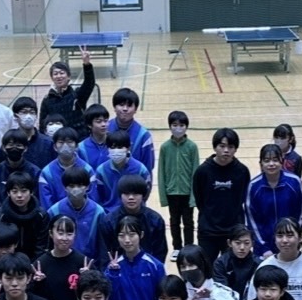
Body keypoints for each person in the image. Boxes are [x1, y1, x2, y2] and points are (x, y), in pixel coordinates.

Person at [192, 128, 250, 264]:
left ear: (235, 149)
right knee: (206, 268)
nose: (226, 150)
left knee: (232, 270)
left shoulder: (242, 171)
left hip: (234, 231)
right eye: (222, 146)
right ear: (215, 147)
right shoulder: (202, 171)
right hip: (208, 231)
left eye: (230, 147)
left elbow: (243, 197)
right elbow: (199, 199)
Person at [104, 214, 165, 300]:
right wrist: (112, 275)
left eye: (131, 235)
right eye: (122, 235)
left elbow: (163, 298)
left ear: (141, 235)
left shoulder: (155, 266)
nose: (127, 240)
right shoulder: (112, 268)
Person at [245, 143, 302, 260]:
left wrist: (292, 239)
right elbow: (252, 220)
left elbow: (301, 214)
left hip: (289, 246)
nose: (271, 164)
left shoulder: (295, 182)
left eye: (275, 160)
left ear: (281, 161)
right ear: (261, 163)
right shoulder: (253, 186)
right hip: (264, 251)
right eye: (267, 160)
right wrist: (263, 247)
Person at [95, 174, 168, 267]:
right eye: (126, 194)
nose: (131, 197)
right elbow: (104, 253)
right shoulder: (108, 221)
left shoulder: (155, 220)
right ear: (120, 195)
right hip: (117, 269)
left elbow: (160, 252)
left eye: (136, 194)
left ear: (143, 195)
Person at [31, 214, 87, 300]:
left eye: (69, 234)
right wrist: (36, 283)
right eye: (60, 233)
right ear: (51, 233)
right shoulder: (40, 264)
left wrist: (88, 278)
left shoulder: (83, 262)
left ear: (75, 235)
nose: (65, 238)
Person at [158, 110, 198, 258]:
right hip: (172, 192)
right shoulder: (165, 147)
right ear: (170, 126)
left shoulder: (192, 147)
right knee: (174, 221)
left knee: (188, 222)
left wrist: (194, 196)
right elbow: (161, 172)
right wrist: (163, 196)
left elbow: (195, 172)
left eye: (181, 125)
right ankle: (176, 247)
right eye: (174, 125)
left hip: (187, 192)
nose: (178, 128)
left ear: (186, 127)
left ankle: (189, 247)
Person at [0, 170, 50, 260]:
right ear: (8, 193)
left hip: (33, 262)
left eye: (24, 191)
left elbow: (41, 246)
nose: (19, 195)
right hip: (6, 262)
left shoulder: (41, 215)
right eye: (14, 191)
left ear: (31, 192)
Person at [48, 165, 105, 259]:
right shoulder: (54, 211)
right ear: (65, 187)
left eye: (80, 185)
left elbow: (102, 245)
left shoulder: (98, 212)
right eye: (71, 186)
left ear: (87, 187)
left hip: (90, 263)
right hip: (61, 260)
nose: (76, 189)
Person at [0, 128, 43, 219]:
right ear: (4, 148)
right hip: (4, 222)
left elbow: (38, 202)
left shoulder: (35, 172)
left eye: (19, 145)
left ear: (25, 148)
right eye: (10, 145)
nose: (14, 148)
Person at [40, 49, 96, 138]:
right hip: (58, 140)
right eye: (55, 74)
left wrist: (87, 64)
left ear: (69, 76)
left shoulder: (77, 95)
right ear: (52, 77)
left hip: (79, 138)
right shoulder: (47, 100)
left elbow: (89, 83)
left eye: (62, 73)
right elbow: (42, 124)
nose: (59, 76)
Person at [92, 129, 151, 210]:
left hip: (135, 212)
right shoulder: (101, 171)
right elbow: (99, 195)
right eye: (112, 147)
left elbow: (145, 193)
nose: (116, 150)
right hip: (109, 212)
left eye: (120, 147)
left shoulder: (141, 169)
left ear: (128, 148)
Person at [39, 127, 94, 210]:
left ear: (77, 146)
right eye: (61, 142)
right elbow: (46, 204)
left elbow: (93, 199)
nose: (65, 145)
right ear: (55, 147)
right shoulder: (46, 172)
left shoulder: (87, 170)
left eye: (69, 142)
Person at [107, 87, 154, 170]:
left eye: (129, 105)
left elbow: (148, 167)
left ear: (135, 109)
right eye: (121, 105)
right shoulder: (105, 130)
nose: (125, 109)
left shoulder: (144, 136)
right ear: (114, 107)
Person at [9, 96, 57, 169]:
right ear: (15, 116)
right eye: (24, 112)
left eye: (32, 112)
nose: (28, 116)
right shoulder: (10, 144)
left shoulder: (48, 143)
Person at [212, 224, 258, 298]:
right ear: (229, 243)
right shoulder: (220, 263)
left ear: (252, 243)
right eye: (238, 243)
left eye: (246, 243)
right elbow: (221, 291)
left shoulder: (258, 263)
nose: (242, 247)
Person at [77, 103, 111, 170]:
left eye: (106, 121)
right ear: (89, 125)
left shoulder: (115, 143)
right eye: (99, 121)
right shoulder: (81, 147)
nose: (103, 124)